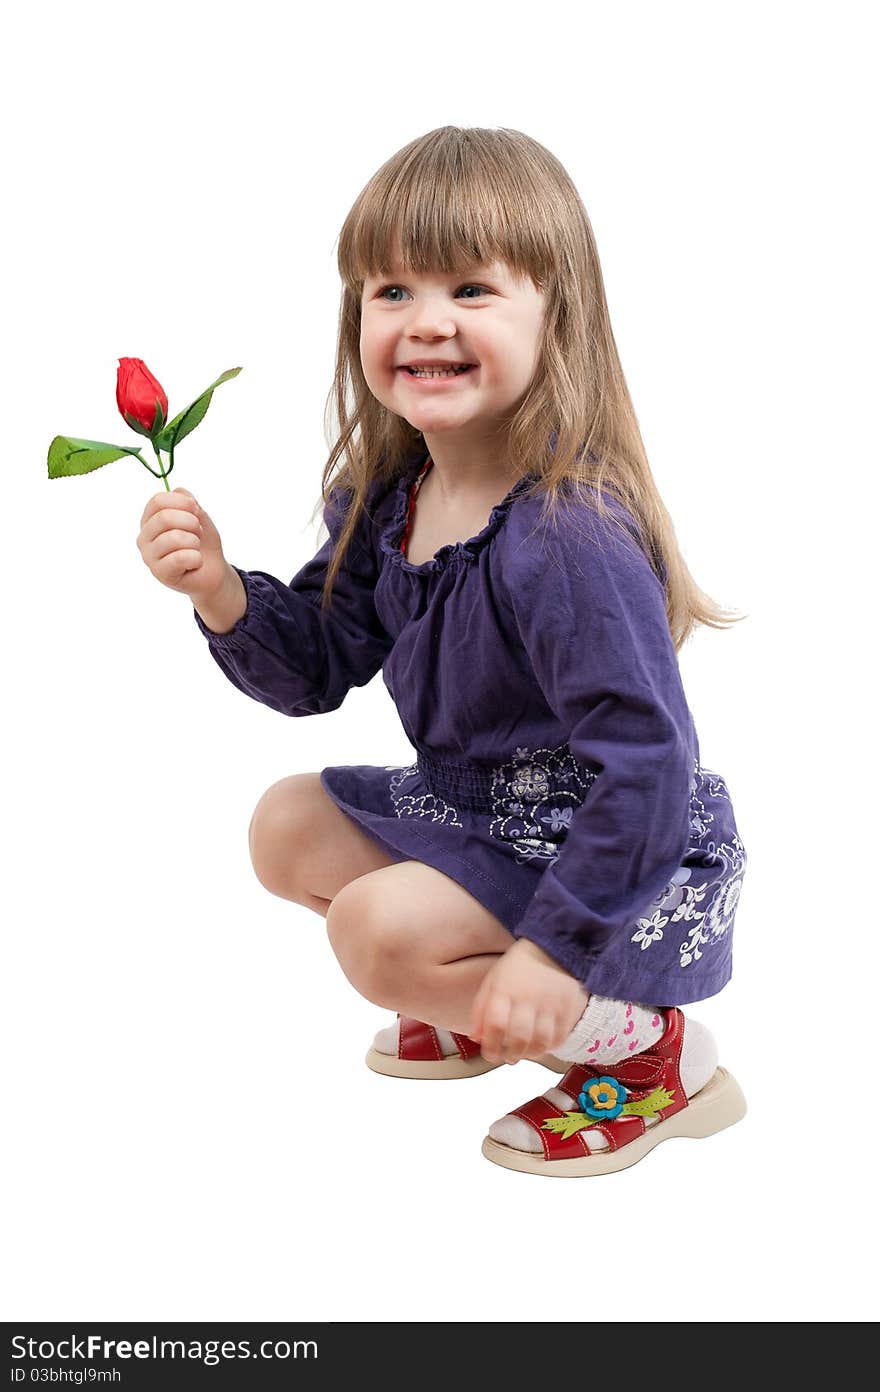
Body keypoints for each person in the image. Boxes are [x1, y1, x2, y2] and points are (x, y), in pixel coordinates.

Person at [136, 126, 748, 1177]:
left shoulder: (564, 534)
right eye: (391, 292)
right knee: (286, 824)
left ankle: (647, 1052)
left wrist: (556, 947)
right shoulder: (391, 498)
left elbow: (647, 768)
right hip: (481, 813)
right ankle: (484, 1002)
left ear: (556, 316)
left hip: (613, 853)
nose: (425, 323)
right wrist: (223, 591)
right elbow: (321, 664)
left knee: (378, 936)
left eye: (470, 290)